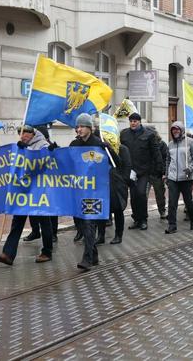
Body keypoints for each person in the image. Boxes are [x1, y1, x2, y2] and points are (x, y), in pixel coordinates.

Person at [0, 125, 53, 265]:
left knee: (44, 221)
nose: (22, 135)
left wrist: (25, 150)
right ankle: (8, 254)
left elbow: (42, 163)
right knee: (17, 221)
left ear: (32, 134)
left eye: (25, 132)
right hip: (23, 190)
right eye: (21, 132)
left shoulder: (42, 145)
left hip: (39, 190)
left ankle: (47, 251)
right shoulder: (21, 145)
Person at [68, 113, 111, 271]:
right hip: (79, 190)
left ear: (89, 128)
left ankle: (86, 259)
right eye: (77, 127)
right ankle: (94, 255)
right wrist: (53, 150)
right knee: (81, 223)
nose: (78, 129)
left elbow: (116, 164)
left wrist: (109, 151)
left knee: (88, 223)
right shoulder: (74, 144)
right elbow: (65, 162)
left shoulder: (98, 143)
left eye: (81, 126)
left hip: (94, 192)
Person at [120, 112, 163, 230]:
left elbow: (156, 152)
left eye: (135, 121)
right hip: (130, 171)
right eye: (131, 121)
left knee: (141, 193)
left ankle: (143, 219)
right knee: (133, 196)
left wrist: (159, 168)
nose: (133, 123)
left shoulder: (148, 135)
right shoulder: (124, 134)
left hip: (143, 171)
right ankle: (136, 219)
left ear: (139, 122)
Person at [24, 124, 60, 242]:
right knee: (33, 208)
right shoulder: (29, 146)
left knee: (50, 210)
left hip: (49, 184)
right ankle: (35, 231)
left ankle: (53, 233)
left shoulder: (49, 146)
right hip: (34, 183)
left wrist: (54, 151)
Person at [165, 122, 193, 234]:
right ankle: (172, 225)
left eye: (177, 129)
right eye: (173, 129)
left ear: (181, 130)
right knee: (172, 203)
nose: (175, 131)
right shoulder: (170, 144)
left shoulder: (190, 143)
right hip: (172, 178)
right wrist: (167, 175)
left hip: (186, 178)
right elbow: (168, 160)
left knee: (188, 201)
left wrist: (190, 168)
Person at [108, 142, 132, 244]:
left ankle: (119, 235)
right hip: (103, 182)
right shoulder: (98, 147)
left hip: (118, 183)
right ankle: (100, 235)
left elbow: (124, 165)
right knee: (101, 209)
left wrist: (124, 181)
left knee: (118, 209)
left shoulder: (122, 149)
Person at [146, 126, 168, 219]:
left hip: (157, 174)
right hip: (146, 173)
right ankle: (143, 214)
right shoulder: (144, 144)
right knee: (143, 195)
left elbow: (166, 159)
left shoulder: (162, 144)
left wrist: (163, 172)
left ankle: (162, 211)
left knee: (159, 194)